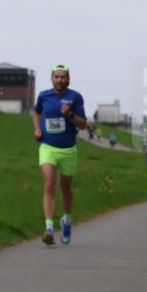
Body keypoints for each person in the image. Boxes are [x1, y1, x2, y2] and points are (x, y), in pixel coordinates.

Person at [32, 64, 87, 245]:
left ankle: (66, 221)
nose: (60, 80)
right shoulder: (44, 96)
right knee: (49, 184)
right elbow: (37, 112)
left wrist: (70, 114)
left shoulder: (75, 97)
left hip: (68, 149)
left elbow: (83, 124)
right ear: (52, 78)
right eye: (56, 76)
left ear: (68, 79)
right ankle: (48, 227)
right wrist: (38, 128)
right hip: (48, 146)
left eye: (63, 77)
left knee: (65, 188)